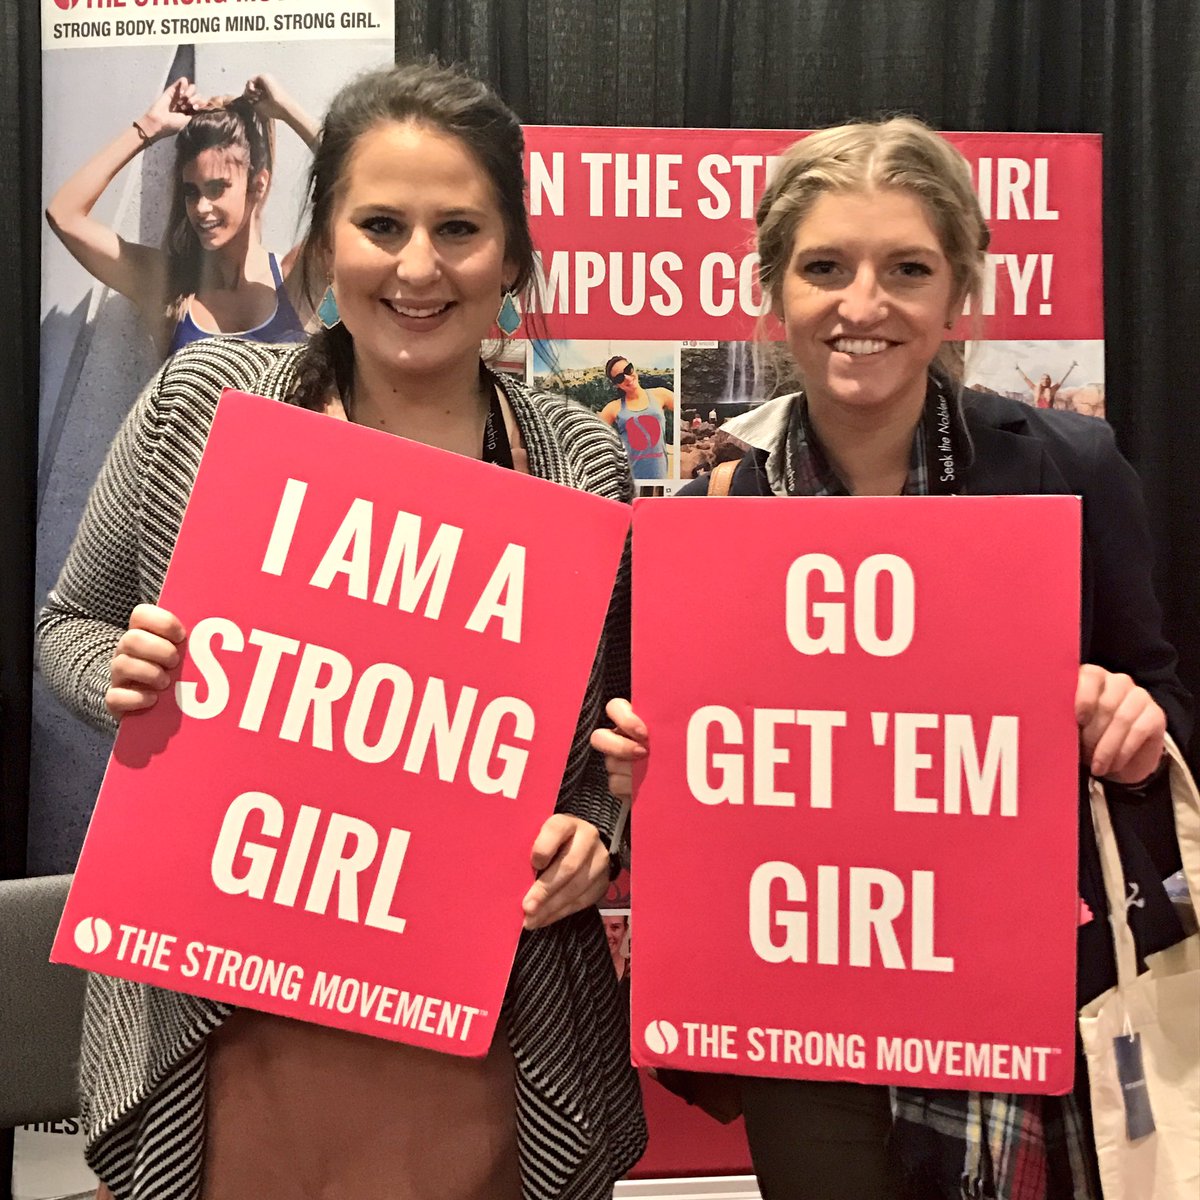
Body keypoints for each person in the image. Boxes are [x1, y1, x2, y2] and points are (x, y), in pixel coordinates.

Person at [37, 61, 645, 1200]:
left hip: (485, 1022)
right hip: (228, 1025)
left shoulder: (583, 464)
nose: (418, 267)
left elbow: (612, 750)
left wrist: (597, 833)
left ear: (511, 257)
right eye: (381, 224)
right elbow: (66, 623)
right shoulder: (202, 406)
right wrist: (119, 669)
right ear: (324, 243)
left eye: (459, 228)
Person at [592, 117, 1192, 1200]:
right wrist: (648, 776)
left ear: (960, 291)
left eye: (907, 269)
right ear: (772, 289)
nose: (862, 306)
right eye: (824, 267)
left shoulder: (1069, 468)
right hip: (801, 1019)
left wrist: (1134, 732)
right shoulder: (709, 517)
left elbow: (1161, 699)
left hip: (1021, 1004)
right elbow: (666, 765)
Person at [46, 74, 318, 358]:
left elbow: (360, 186)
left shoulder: (294, 278)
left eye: (216, 188)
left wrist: (287, 110)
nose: (201, 207)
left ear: (258, 185)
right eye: (191, 192)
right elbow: (64, 215)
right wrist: (149, 126)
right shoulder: (170, 288)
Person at [599, 355, 675, 480]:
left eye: (628, 370)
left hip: (660, 477)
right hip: (631, 480)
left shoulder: (661, 394)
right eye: (620, 378)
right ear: (616, 385)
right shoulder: (613, 408)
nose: (628, 378)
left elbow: (684, 409)